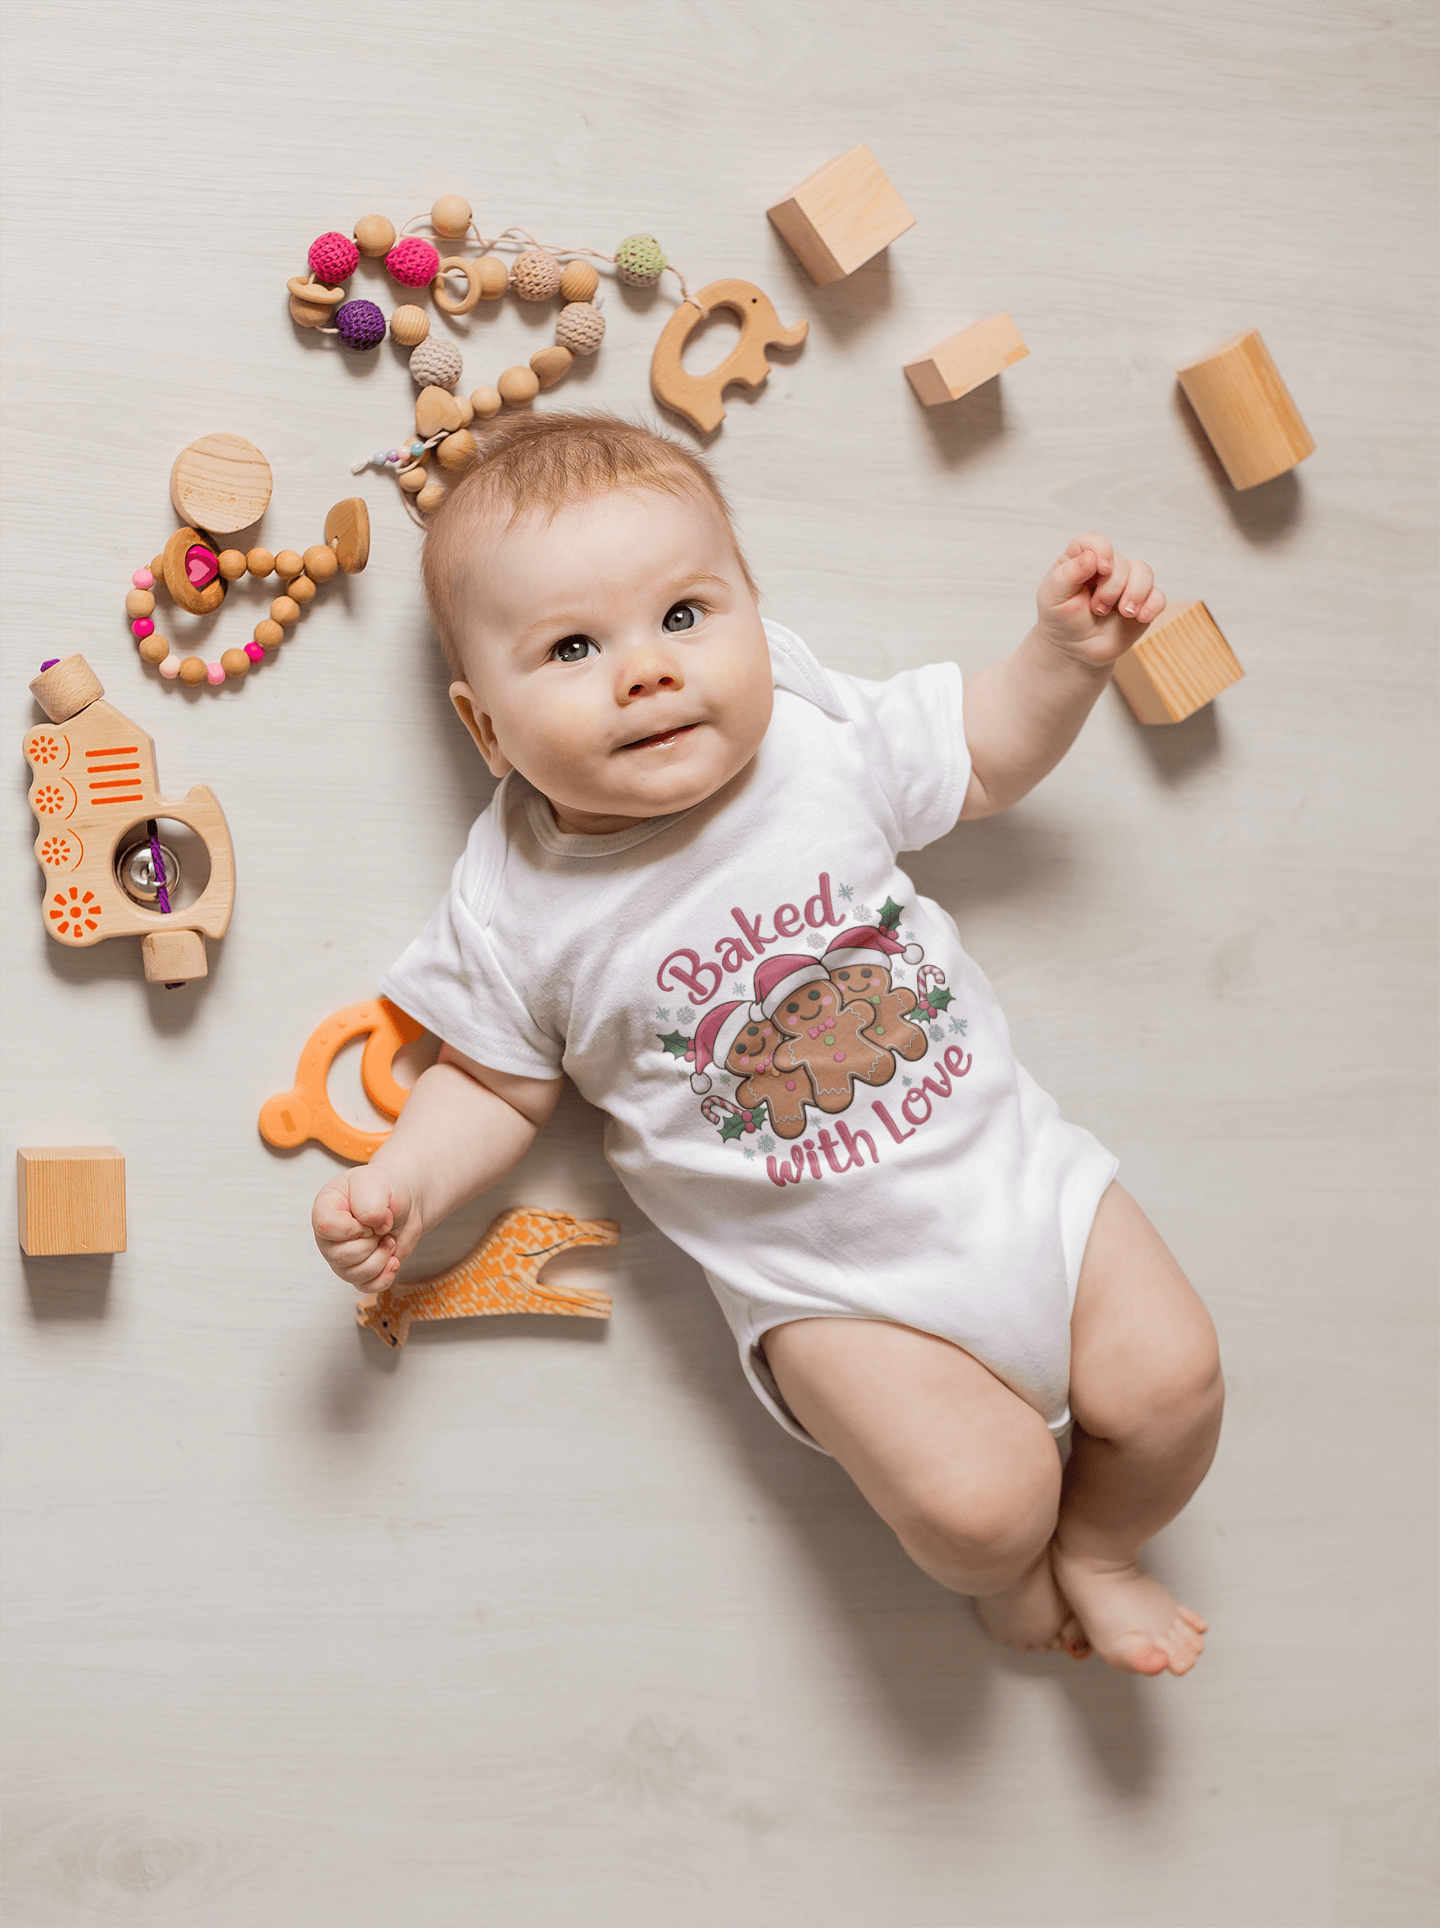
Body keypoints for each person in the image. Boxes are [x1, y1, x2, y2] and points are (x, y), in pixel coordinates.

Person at [312, 414, 1223, 1677]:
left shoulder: (811, 735)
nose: (646, 669)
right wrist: (404, 1182)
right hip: (836, 1295)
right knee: (976, 1504)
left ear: (754, 611)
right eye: (574, 647)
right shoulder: (516, 896)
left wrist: (1063, 657)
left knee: (1177, 1383)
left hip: (1024, 1187)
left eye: (686, 615)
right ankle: (1015, 1563)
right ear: (485, 730)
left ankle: (1107, 1546)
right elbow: (493, 1084)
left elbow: (984, 757)